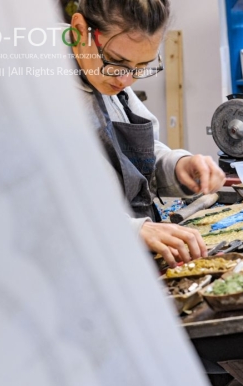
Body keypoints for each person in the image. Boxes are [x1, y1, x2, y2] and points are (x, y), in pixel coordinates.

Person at [68, 0, 226, 266]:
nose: (126, 81)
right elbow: (37, 207)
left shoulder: (108, 76)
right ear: (80, 30)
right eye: (117, 62)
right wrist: (130, 230)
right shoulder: (32, 95)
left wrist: (177, 166)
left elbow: (132, 155)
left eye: (141, 66)